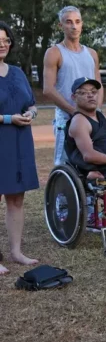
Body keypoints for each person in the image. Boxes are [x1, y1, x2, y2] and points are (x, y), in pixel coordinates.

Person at [0, 21, 39, 274]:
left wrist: (31, 113)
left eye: (5, 40)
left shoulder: (17, 71)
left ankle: (16, 251)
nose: (2, 45)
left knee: (16, 198)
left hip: (20, 141)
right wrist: (7, 119)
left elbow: (33, 103)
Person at [43, 6, 101, 166]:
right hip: (66, 118)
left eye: (77, 21)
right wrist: (74, 112)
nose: (74, 26)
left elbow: (99, 85)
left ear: (82, 24)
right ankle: (61, 192)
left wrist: (97, 112)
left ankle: (86, 192)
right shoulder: (54, 53)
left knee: (92, 164)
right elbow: (48, 89)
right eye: (69, 22)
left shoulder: (92, 54)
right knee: (64, 166)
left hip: (91, 118)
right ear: (60, 26)